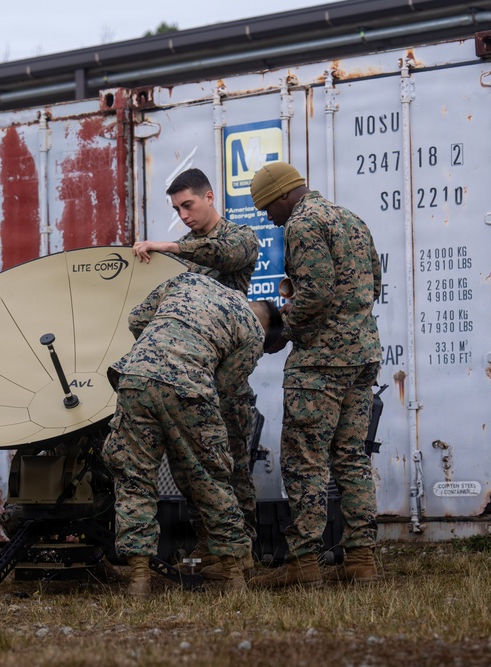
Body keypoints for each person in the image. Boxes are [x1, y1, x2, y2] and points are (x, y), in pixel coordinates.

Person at [102, 271, 281, 596]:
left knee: (134, 479)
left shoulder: (187, 281)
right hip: (190, 389)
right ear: (268, 328)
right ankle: (234, 578)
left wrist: (161, 353)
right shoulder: (253, 331)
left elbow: (137, 319)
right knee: (210, 479)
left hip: (135, 377)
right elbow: (224, 387)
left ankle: (139, 579)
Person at [247, 161, 382, 588]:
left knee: (305, 462)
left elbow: (315, 294)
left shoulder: (303, 224)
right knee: (351, 458)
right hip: (362, 356)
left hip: (320, 365)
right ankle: (361, 560)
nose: (269, 217)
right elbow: (373, 283)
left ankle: (304, 564)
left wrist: (285, 324)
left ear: (285, 194)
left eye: (268, 207)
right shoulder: (351, 219)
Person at [131, 168, 261, 576]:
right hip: (188, 377)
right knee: (192, 470)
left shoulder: (240, 236)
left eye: (188, 205)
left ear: (209, 197)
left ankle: (242, 554)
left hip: (227, 375)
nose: (183, 215)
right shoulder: (182, 248)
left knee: (231, 467)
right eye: (176, 209)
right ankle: (211, 548)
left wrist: (169, 247)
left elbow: (223, 256)